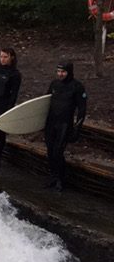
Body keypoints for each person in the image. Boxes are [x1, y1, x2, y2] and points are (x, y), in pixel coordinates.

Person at [43, 61, 87, 191]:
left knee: (58, 152)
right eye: (58, 71)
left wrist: (77, 128)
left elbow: (82, 110)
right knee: (50, 152)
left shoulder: (77, 87)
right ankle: (54, 177)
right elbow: (44, 103)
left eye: (63, 72)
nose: (60, 74)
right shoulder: (54, 84)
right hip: (51, 123)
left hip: (64, 124)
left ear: (69, 72)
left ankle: (61, 180)